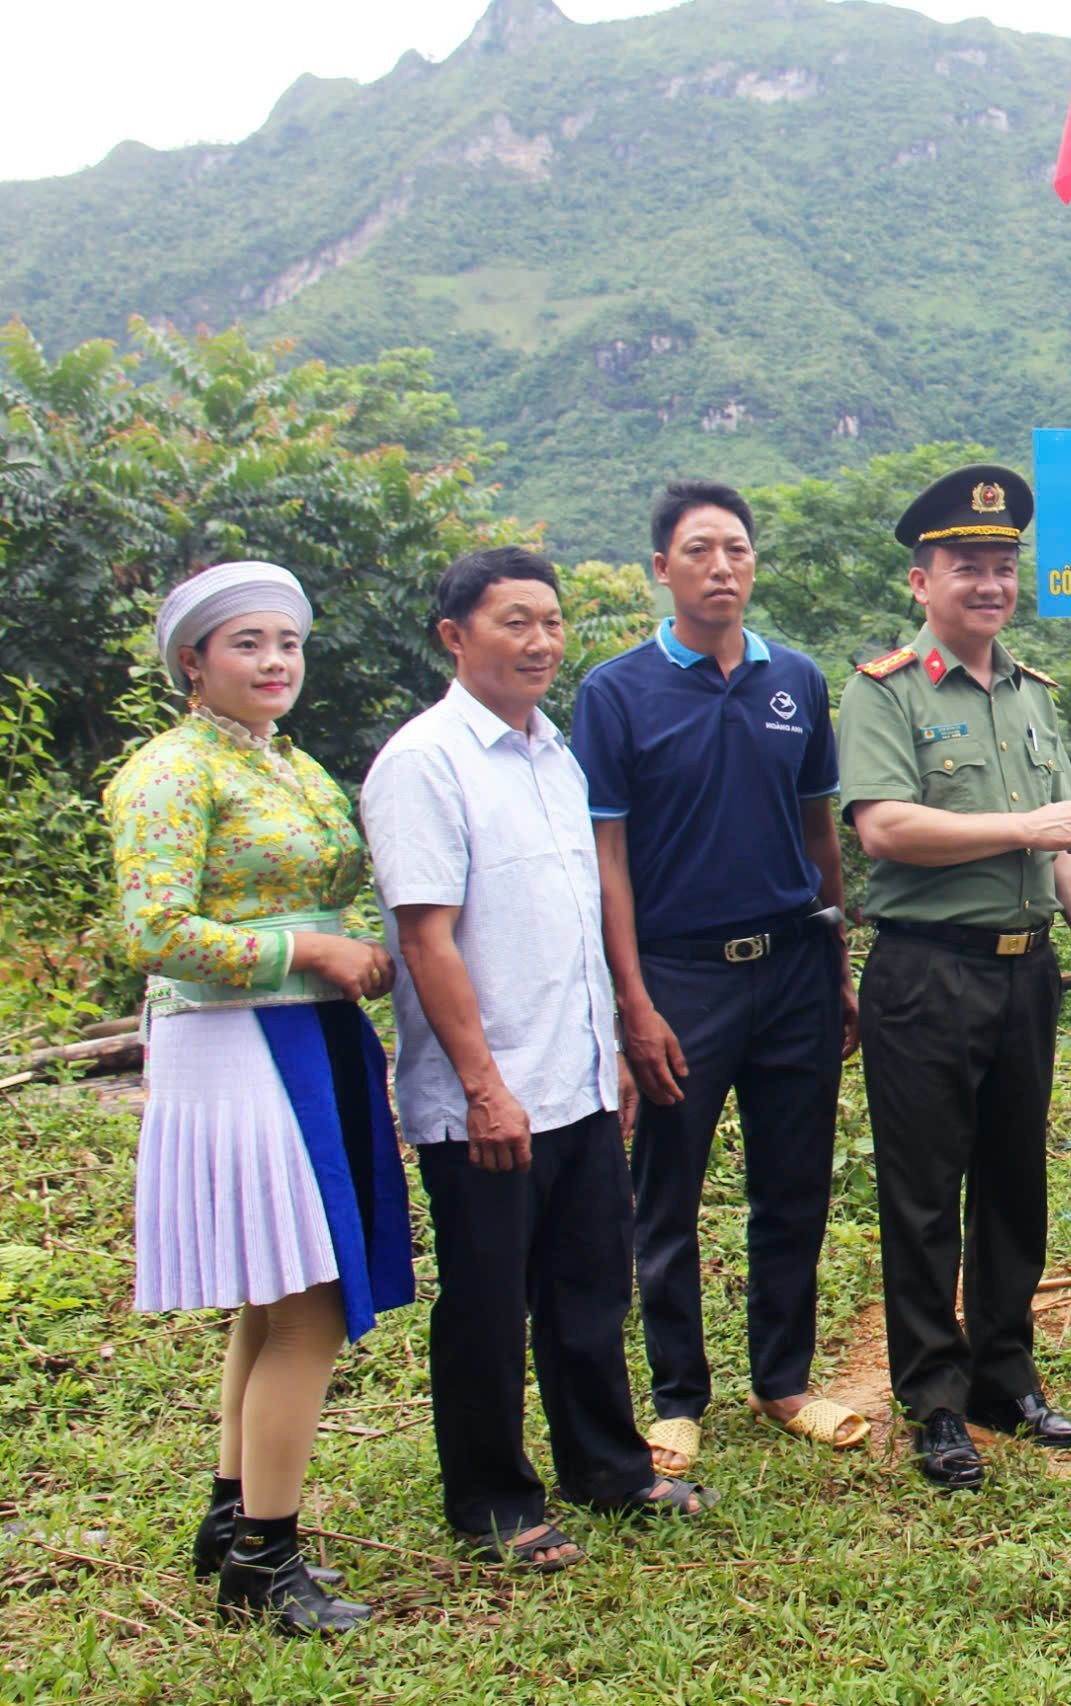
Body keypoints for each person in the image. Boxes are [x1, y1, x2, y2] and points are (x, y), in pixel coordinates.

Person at [363, 547, 713, 1572]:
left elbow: (574, 922)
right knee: (485, 1300)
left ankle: (606, 1464)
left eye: (551, 622)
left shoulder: (556, 754)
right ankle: (490, 1500)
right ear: (454, 636)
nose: (541, 641)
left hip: (574, 1081)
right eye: (515, 621)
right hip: (490, 1094)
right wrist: (482, 1087)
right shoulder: (423, 761)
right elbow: (428, 938)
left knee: (590, 1285)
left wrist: (610, 1055)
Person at [106, 561, 413, 1636]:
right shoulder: (170, 770)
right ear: (194, 662)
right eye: (247, 643)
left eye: (286, 641)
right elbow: (153, 930)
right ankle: (266, 1562)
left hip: (308, 1033)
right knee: (309, 1300)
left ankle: (231, 1518)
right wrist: (308, 944)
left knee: (270, 1296)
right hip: (240, 1042)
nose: (274, 660)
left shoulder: (284, 760)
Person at [570, 480, 864, 1478]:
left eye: (736, 548)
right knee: (668, 1192)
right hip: (679, 975)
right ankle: (676, 1394)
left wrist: (836, 961)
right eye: (698, 550)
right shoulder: (616, 692)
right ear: (663, 568)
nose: (721, 566)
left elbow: (819, 827)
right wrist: (631, 1000)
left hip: (791, 966)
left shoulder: (800, 680)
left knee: (794, 1185)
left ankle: (783, 1377)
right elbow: (606, 856)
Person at [837, 463, 1071, 1491]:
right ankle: (935, 1401)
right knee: (920, 1194)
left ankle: (1004, 1374)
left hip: (1024, 972)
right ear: (922, 580)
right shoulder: (885, 691)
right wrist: (1022, 826)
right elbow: (886, 828)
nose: (989, 583)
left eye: (1002, 565)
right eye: (966, 567)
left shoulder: (1035, 698)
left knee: (1013, 1181)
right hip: (925, 974)